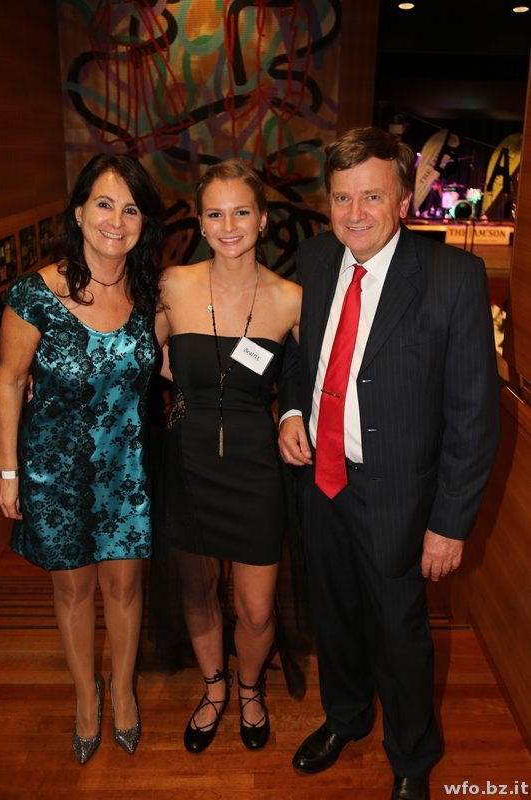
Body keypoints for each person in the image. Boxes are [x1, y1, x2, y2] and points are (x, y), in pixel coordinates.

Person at [277, 127, 500, 800]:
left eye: (372, 196)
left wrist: (449, 525)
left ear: (403, 199)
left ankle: (412, 755)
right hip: (322, 480)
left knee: (400, 634)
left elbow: (474, 416)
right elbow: (300, 356)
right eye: (342, 197)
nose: (355, 214)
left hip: (400, 495)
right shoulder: (315, 259)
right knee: (333, 613)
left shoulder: (453, 278)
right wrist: (291, 411)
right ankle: (345, 716)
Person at [0, 153, 165, 764]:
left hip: (127, 470)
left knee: (125, 587)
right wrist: (8, 470)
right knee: (73, 592)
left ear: (143, 223)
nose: (116, 220)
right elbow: (10, 381)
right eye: (104, 204)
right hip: (56, 471)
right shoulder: (33, 295)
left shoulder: (152, 293)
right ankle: (86, 698)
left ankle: (122, 690)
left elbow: (171, 366)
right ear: (78, 212)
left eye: (131, 209)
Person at [152, 159, 303, 753]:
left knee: (257, 609)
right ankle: (215, 689)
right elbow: (133, 357)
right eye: (215, 213)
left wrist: (293, 414)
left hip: (255, 469)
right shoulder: (171, 285)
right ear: (200, 221)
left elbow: (310, 379)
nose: (229, 225)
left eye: (242, 212)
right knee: (197, 590)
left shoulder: (291, 299)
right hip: (187, 463)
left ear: (262, 219)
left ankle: (249, 688)